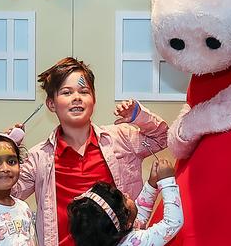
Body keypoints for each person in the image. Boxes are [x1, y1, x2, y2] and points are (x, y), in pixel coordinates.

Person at [11, 57, 169, 246]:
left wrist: (139, 117)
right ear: (51, 104)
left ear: (94, 99)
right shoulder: (39, 157)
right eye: (67, 92)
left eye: (84, 91)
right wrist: (8, 154)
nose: (76, 97)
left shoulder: (121, 138)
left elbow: (162, 138)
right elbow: (6, 195)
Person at [68, 159, 182, 246]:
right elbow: (172, 224)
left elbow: (137, 218)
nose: (127, 195)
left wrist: (152, 184)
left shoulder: (114, 234)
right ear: (127, 225)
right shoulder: (133, 243)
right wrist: (167, 181)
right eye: (125, 199)